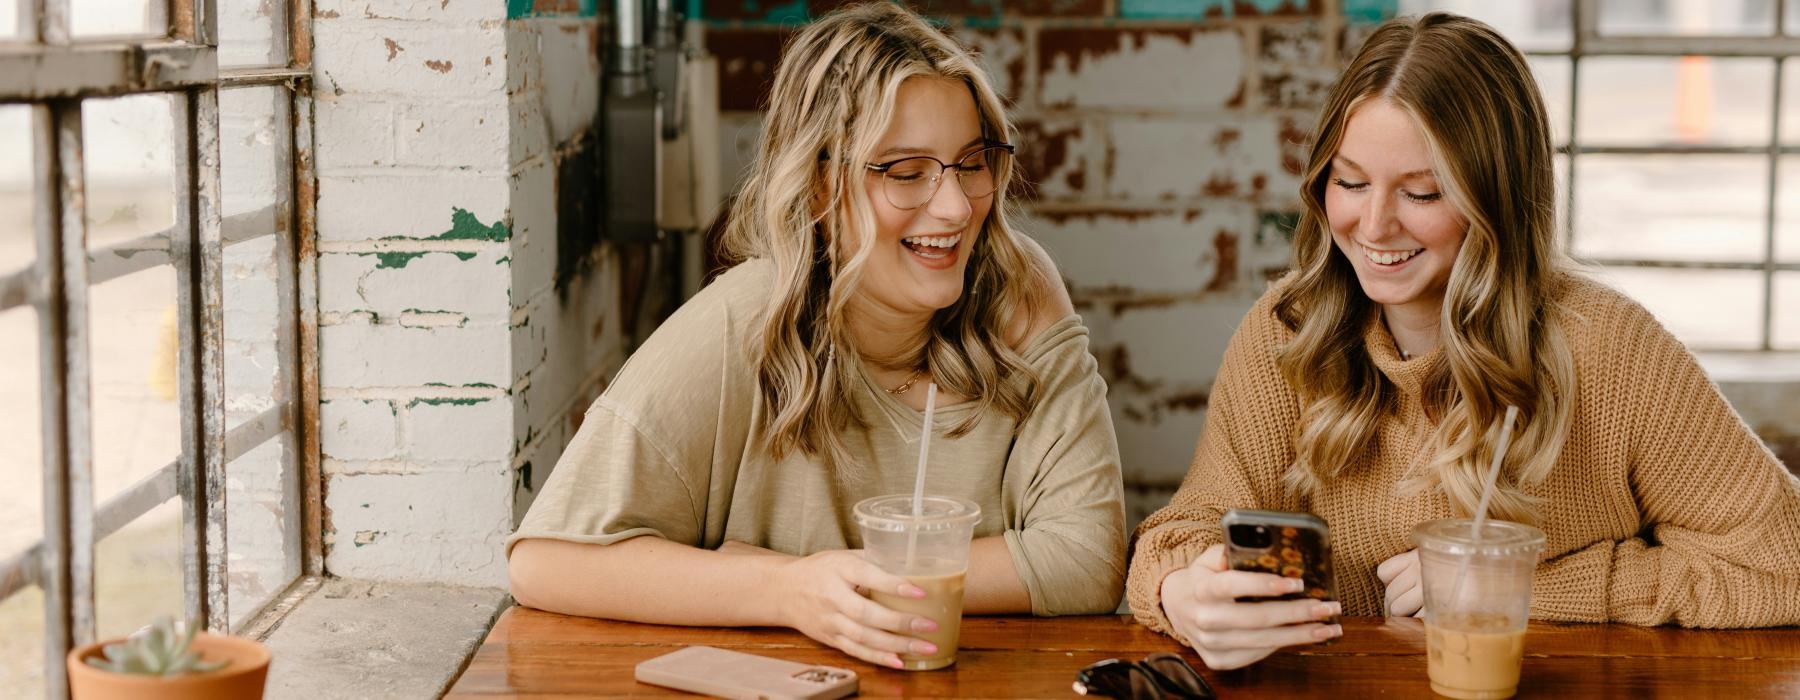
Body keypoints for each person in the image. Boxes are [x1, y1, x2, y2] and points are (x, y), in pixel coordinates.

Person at [1126, 12, 1800, 671]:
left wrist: (1523, 586)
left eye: (1423, 192)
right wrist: (1182, 591)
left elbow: (1782, 564)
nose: (1374, 225)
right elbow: (1178, 534)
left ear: (1497, 198)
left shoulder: (1608, 348)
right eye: (1350, 182)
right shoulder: (1291, 328)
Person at [506, 2, 1127, 670]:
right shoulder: (743, 319)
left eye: (971, 162)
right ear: (821, 184)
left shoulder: (1016, 286)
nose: (954, 207)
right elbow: (547, 561)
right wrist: (788, 590)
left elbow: (1087, 558)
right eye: (907, 171)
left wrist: (832, 579)